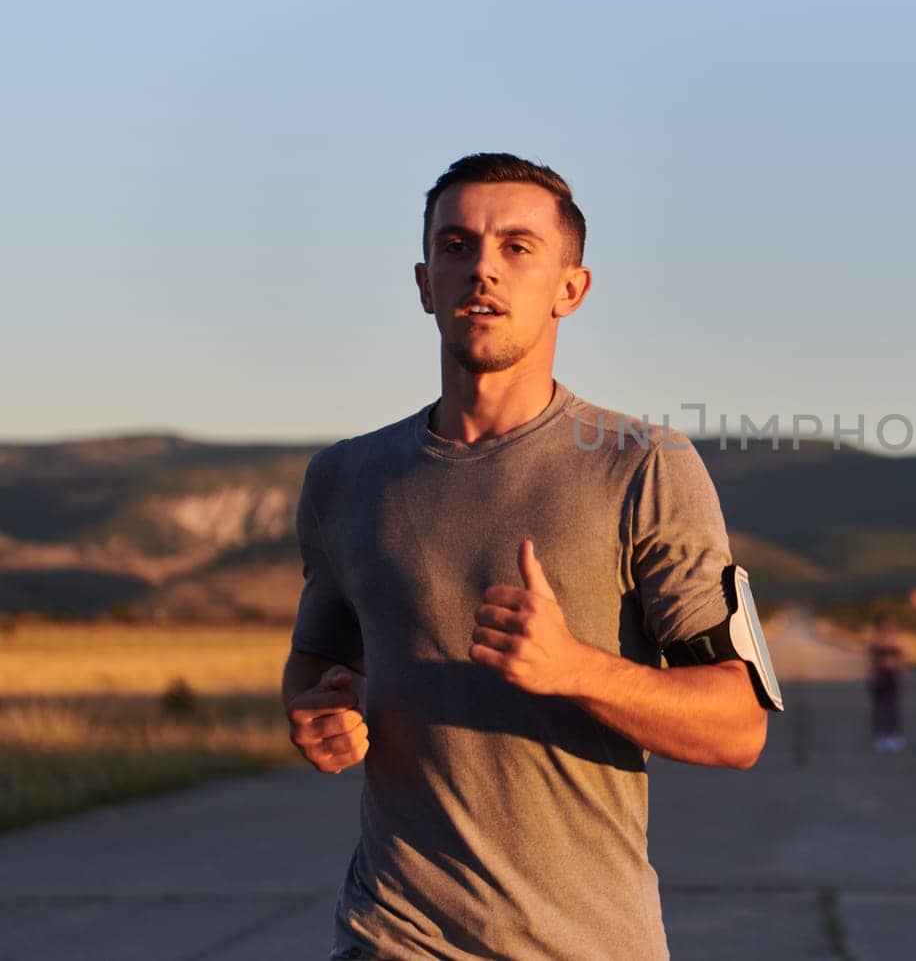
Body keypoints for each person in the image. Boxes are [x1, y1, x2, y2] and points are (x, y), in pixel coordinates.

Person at [281, 153, 771, 960]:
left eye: (517, 247)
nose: (482, 269)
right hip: (391, 932)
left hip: (582, 940)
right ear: (422, 281)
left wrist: (573, 667)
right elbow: (315, 663)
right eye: (456, 245)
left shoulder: (642, 464)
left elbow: (740, 724)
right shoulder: (345, 478)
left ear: (569, 289)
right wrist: (320, 713)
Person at [867, 612, 906, 752]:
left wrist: (902, 673)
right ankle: (879, 736)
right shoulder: (875, 641)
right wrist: (872, 677)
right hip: (880, 676)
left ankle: (893, 736)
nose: (887, 628)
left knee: (893, 708)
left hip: (892, 676)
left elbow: (902, 658)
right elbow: (871, 660)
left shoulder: (896, 640)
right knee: (879, 709)